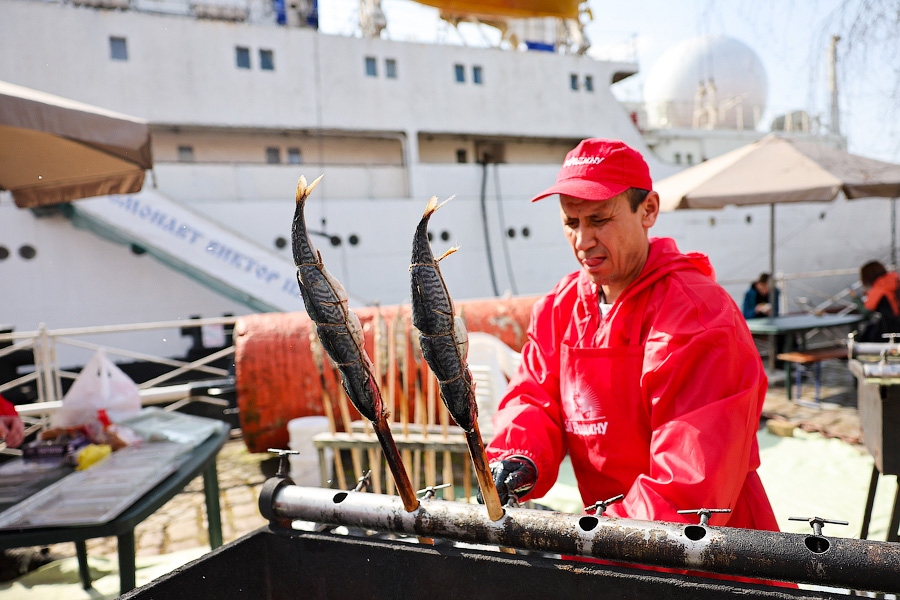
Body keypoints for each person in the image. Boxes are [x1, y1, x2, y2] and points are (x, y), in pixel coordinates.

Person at [484, 138, 779, 539]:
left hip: (707, 550)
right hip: (613, 535)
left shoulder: (699, 315)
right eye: (572, 223)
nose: (583, 241)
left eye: (599, 220)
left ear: (649, 210)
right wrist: (519, 456)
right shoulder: (560, 306)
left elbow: (689, 484)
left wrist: (602, 538)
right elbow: (533, 397)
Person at [850, 260, 900, 343]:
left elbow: (866, 312)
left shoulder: (879, 288)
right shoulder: (894, 280)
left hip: (889, 330)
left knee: (866, 334)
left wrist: (856, 298)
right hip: (896, 326)